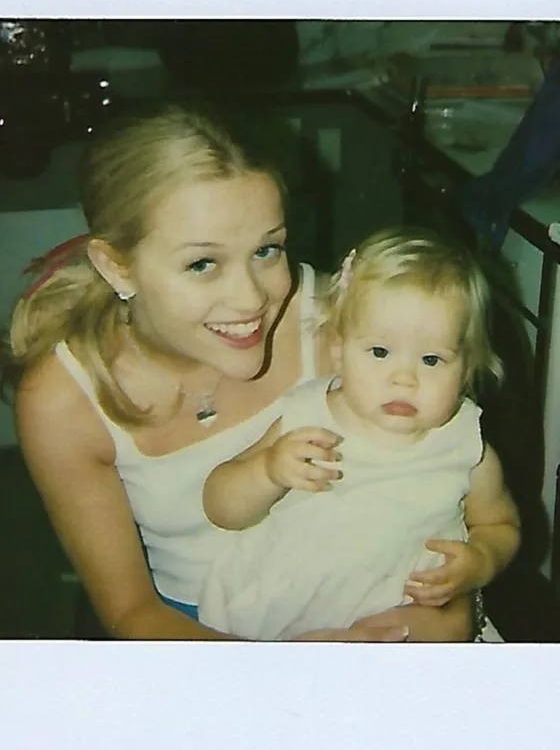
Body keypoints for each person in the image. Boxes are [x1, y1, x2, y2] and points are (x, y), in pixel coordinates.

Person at [1, 101, 513, 641]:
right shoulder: (65, 400)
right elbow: (132, 613)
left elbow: (449, 488)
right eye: (202, 263)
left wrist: (455, 612)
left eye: (267, 250)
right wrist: (276, 670)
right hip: (203, 641)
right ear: (116, 266)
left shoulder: (342, 327)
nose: (251, 299)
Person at [199, 228, 521, 641]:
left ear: (466, 369)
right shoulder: (307, 416)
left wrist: (481, 561)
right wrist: (266, 471)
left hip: (403, 628)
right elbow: (220, 507)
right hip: (288, 622)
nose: (404, 379)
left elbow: (500, 524)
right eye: (380, 352)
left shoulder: (464, 445)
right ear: (338, 350)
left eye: (431, 359)